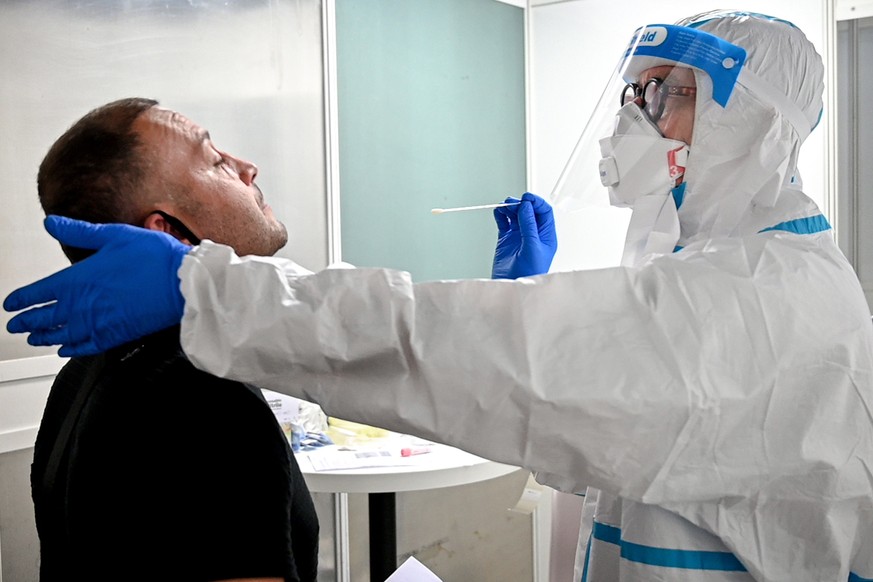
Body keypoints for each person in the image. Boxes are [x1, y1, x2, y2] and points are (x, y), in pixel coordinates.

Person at [5, 11, 873, 581]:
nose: (633, 118)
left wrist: (209, 293)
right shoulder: (715, 273)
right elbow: (598, 412)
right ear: (161, 226)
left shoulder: (767, 296)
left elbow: (530, 360)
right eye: (633, 92)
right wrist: (527, 297)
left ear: (749, 121)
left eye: (665, 95)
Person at [24, 98, 319, 581]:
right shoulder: (204, 398)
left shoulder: (83, 373)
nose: (247, 167)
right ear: (167, 234)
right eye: (217, 162)